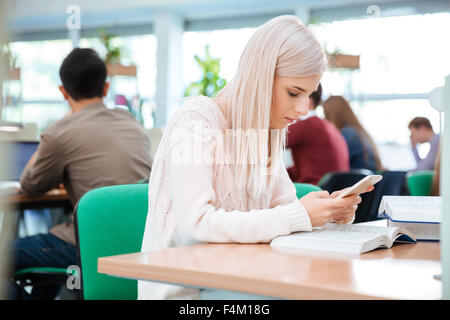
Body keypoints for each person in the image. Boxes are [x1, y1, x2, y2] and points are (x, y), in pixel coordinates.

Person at [138, 15, 373, 300]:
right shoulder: (196, 121)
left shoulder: (266, 133)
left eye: (308, 95)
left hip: (242, 281)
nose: (302, 109)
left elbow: (285, 217)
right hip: (188, 292)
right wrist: (299, 215)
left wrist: (328, 217)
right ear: (261, 76)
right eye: (293, 92)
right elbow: (196, 227)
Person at [10, 48, 152, 299]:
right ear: (105, 88)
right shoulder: (133, 124)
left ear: (63, 92)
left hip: (92, 243)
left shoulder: (60, 131)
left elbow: (30, 185)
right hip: (143, 242)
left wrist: (52, 131)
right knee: (54, 238)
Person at [285, 83, 350, 185]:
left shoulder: (308, 125)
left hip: (315, 189)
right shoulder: (328, 125)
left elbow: (268, 141)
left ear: (308, 101)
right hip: (335, 189)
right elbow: (311, 164)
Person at [322, 95, 383, 173]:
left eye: (325, 114)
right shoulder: (359, 131)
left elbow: (334, 162)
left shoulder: (347, 134)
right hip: (370, 178)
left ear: (330, 115)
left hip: (357, 180)